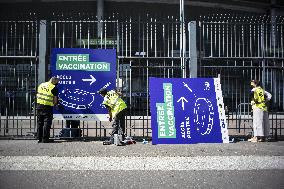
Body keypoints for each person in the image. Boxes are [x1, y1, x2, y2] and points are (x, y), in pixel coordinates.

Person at [36, 77, 60, 143]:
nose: (57, 83)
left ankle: (39, 138)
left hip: (39, 106)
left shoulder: (41, 85)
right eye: (57, 82)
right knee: (47, 123)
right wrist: (56, 104)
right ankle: (45, 139)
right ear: (54, 81)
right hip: (47, 107)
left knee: (39, 123)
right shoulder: (54, 88)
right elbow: (55, 101)